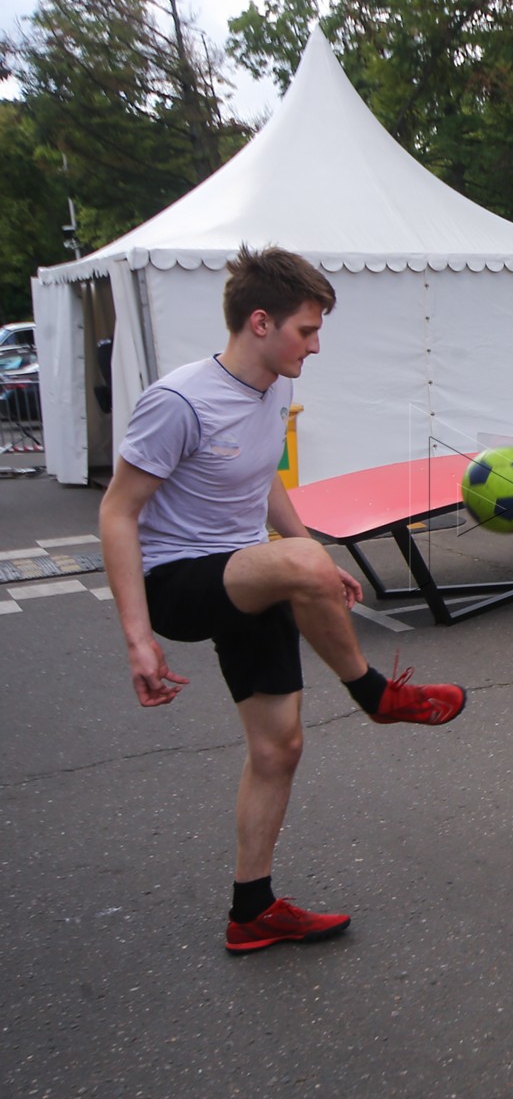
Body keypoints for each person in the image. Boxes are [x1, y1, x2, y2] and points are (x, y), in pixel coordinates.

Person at [97, 246, 467, 955]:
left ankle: (252, 911)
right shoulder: (177, 401)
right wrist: (138, 639)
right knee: (300, 563)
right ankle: (374, 693)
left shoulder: (269, 389)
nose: (316, 344)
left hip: (249, 577)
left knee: (279, 748)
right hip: (179, 582)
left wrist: (307, 558)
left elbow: (263, 481)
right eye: (307, 329)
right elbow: (118, 512)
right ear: (259, 322)